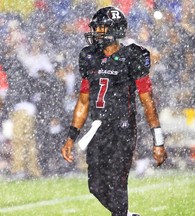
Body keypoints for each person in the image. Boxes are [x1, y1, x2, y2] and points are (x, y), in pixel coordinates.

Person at [61, 7, 167, 216]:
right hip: (97, 129)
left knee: (117, 185)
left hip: (122, 129)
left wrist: (159, 140)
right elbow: (83, 101)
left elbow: (147, 101)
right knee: (96, 186)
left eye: (101, 28)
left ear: (115, 30)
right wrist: (71, 136)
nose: (96, 32)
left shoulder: (132, 56)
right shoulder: (89, 56)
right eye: (96, 28)